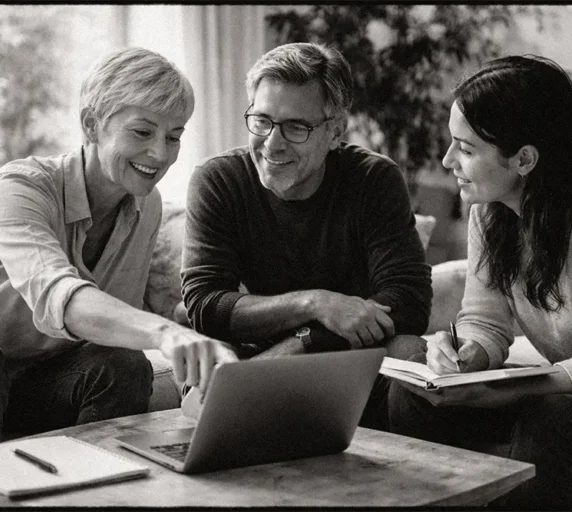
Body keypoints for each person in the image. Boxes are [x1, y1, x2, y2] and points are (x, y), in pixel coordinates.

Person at [387, 54, 572, 508]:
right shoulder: (489, 212)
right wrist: (467, 356)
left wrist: (504, 390)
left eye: (466, 149)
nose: (448, 160)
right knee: (410, 397)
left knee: (551, 422)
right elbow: (485, 323)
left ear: (524, 159)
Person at [0, 47, 236, 469]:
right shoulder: (19, 189)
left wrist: (197, 355)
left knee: (123, 365)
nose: (160, 155)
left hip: (22, 378)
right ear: (91, 124)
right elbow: (61, 297)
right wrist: (165, 333)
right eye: (142, 132)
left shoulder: (145, 205)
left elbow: (104, 331)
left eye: (173, 136)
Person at [180, 42, 432, 428]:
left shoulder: (373, 179)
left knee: (410, 350)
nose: (272, 143)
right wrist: (315, 303)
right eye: (262, 121)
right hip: (254, 351)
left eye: (297, 127)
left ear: (334, 132)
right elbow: (203, 303)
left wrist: (306, 342)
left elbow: (409, 299)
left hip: (346, 355)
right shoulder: (218, 180)